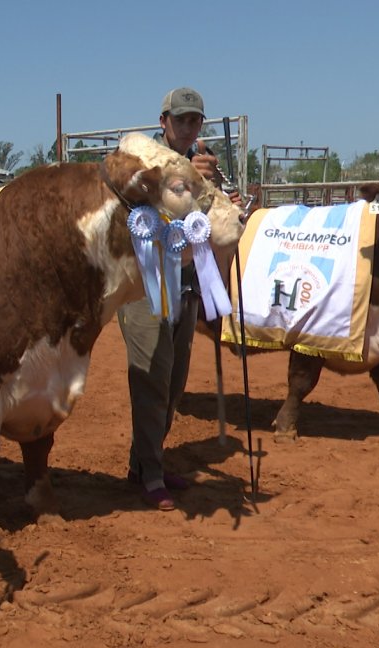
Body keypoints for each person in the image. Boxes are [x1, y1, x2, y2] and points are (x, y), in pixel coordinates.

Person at [119, 87, 240, 510]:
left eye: (195, 121)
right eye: (181, 119)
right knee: (152, 375)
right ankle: (151, 474)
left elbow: (212, 219)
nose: (188, 127)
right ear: (164, 121)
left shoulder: (204, 165)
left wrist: (216, 189)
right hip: (145, 285)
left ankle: (145, 462)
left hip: (187, 282)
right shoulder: (145, 161)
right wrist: (189, 172)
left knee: (174, 382)